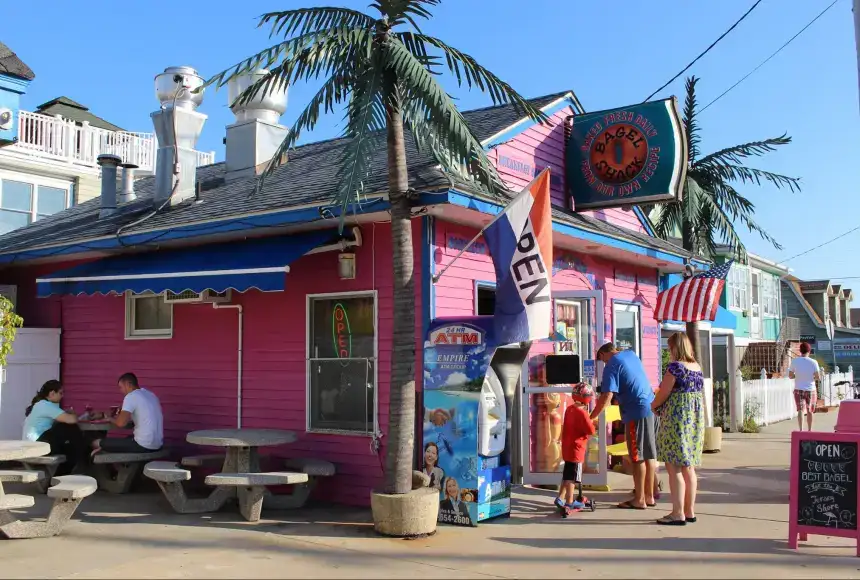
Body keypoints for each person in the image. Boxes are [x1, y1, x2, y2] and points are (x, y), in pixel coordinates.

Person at [590, 342, 657, 510]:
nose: (603, 363)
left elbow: (607, 396)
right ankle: (649, 495)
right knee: (649, 455)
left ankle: (639, 499)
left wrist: (591, 417)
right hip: (651, 407)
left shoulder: (612, 364)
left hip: (636, 412)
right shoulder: (631, 355)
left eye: (602, 360)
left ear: (603, 354)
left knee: (637, 457)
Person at [651, 332, 705, 526]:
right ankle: (690, 511)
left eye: (669, 346)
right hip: (694, 421)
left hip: (677, 420)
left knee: (674, 468)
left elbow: (663, 393)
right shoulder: (696, 367)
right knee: (688, 467)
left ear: (675, 347)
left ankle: (677, 513)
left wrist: (654, 406)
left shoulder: (675, 368)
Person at [21, 380, 88, 475]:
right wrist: (72, 413)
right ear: (52, 393)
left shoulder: (40, 404)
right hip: (38, 445)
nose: (62, 396)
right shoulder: (45, 405)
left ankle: (62, 475)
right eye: (60, 393)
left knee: (71, 445)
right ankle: (62, 475)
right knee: (70, 430)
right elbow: (72, 419)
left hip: (34, 443)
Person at [91, 373, 163, 455]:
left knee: (96, 442)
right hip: (157, 445)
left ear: (128, 384)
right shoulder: (150, 394)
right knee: (127, 439)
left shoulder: (131, 396)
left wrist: (109, 419)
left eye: (121, 387)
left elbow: (121, 423)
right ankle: (106, 447)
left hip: (143, 446)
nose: (121, 390)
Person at [555, 383, 596, 517]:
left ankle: (560, 497)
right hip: (577, 449)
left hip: (567, 447)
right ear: (587, 398)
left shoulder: (570, 409)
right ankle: (569, 501)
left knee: (567, 474)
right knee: (573, 477)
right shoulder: (582, 412)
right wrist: (593, 422)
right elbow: (591, 430)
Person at [789, 342, 821, 432]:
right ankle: (809, 430)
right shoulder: (813, 362)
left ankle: (801, 430)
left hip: (798, 388)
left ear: (800, 351)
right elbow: (818, 377)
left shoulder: (795, 361)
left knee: (800, 410)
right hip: (811, 389)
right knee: (810, 410)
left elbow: (790, 375)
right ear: (809, 351)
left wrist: (798, 376)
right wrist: (811, 377)